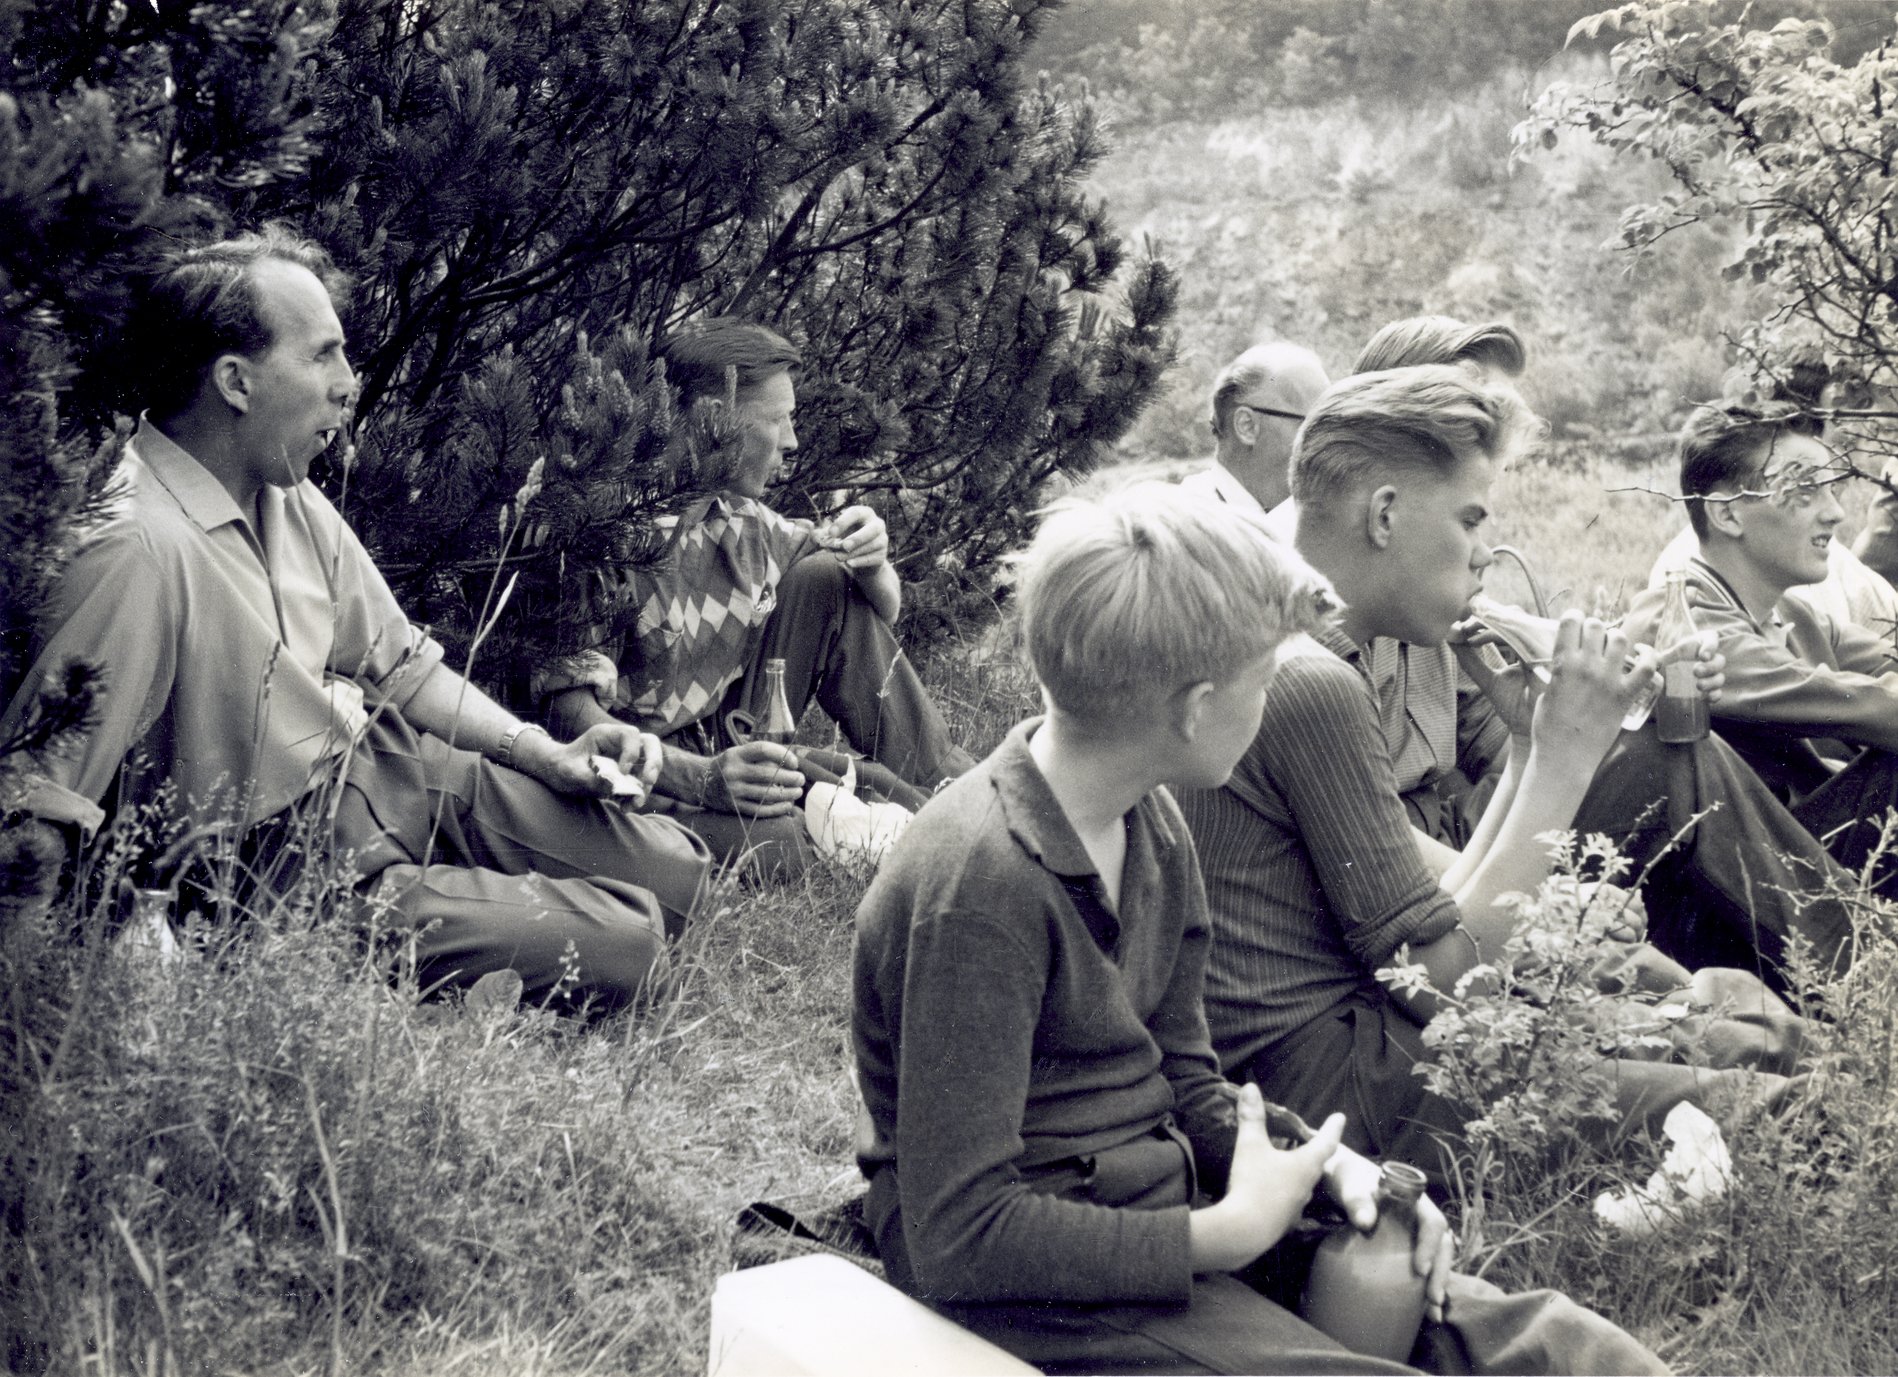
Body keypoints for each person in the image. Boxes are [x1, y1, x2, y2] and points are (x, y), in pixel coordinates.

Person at [851, 471, 1668, 1376]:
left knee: (1565, 1347)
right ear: (1198, 706)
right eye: (1265, 675)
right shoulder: (983, 885)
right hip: (1040, 1288)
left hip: (1167, 1210)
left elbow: (1190, 1082)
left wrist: (1331, 1169)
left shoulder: (1150, 821)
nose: (1273, 693)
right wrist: (1224, 1234)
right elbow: (956, 1234)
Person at [0, 226, 711, 1013]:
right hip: (283, 870)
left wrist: (547, 754)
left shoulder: (287, 493)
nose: (349, 383)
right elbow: (39, 798)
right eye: (323, 355)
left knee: (678, 875)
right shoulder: (134, 548)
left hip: (389, 763)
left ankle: (477, 884)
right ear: (235, 381)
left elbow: (407, 670)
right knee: (630, 943)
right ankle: (466, 902)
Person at [1176, 368, 1827, 1183]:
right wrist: (1565, 754)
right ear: (1384, 514)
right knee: (1777, 1106)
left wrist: (1525, 745)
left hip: (1360, 1057)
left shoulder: (1284, 643)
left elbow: (1436, 929)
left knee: (1735, 1036)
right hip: (1354, 1097)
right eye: (1470, 518)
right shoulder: (1307, 681)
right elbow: (1447, 988)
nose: (1486, 551)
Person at [543, 318, 973, 876]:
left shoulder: (738, 519)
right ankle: (897, 823)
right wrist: (699, 777)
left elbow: (876, 611)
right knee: (782, 844)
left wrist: (873, 562)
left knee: (825, 577)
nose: (792, 441)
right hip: (644, 771)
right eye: (777, 419)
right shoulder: (601, 533)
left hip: (725, 738)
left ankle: (953, 785)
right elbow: (564, 709)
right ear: (711, 422)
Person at [1623, 403, 1898, 886]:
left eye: (1832, 489)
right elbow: (1881, 711)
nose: (1835, 513)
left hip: (1808, 853)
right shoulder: (1681, 624)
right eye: (1805, 489)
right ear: (1728, 514)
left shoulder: (1793, 616)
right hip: (1759, 885)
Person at [1181, 341, 1331, 542]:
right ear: (1247, 426)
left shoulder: (1304, 520)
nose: (1328, 442)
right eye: (1314, 425)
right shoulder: (1189, 526)